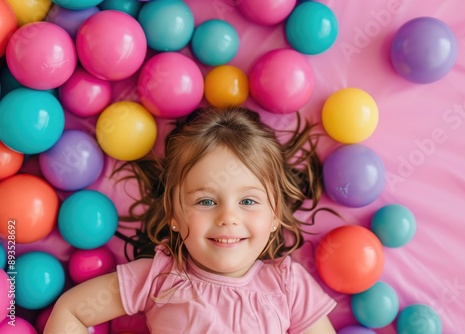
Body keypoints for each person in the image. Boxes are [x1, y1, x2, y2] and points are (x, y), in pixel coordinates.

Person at [44, 106, 337, 334]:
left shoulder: (289, 286)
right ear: (174, 215)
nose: (228, 218)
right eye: (206, 201)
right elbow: (72, 310)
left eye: (248, 201)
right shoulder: (158, 277)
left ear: (274, 216)